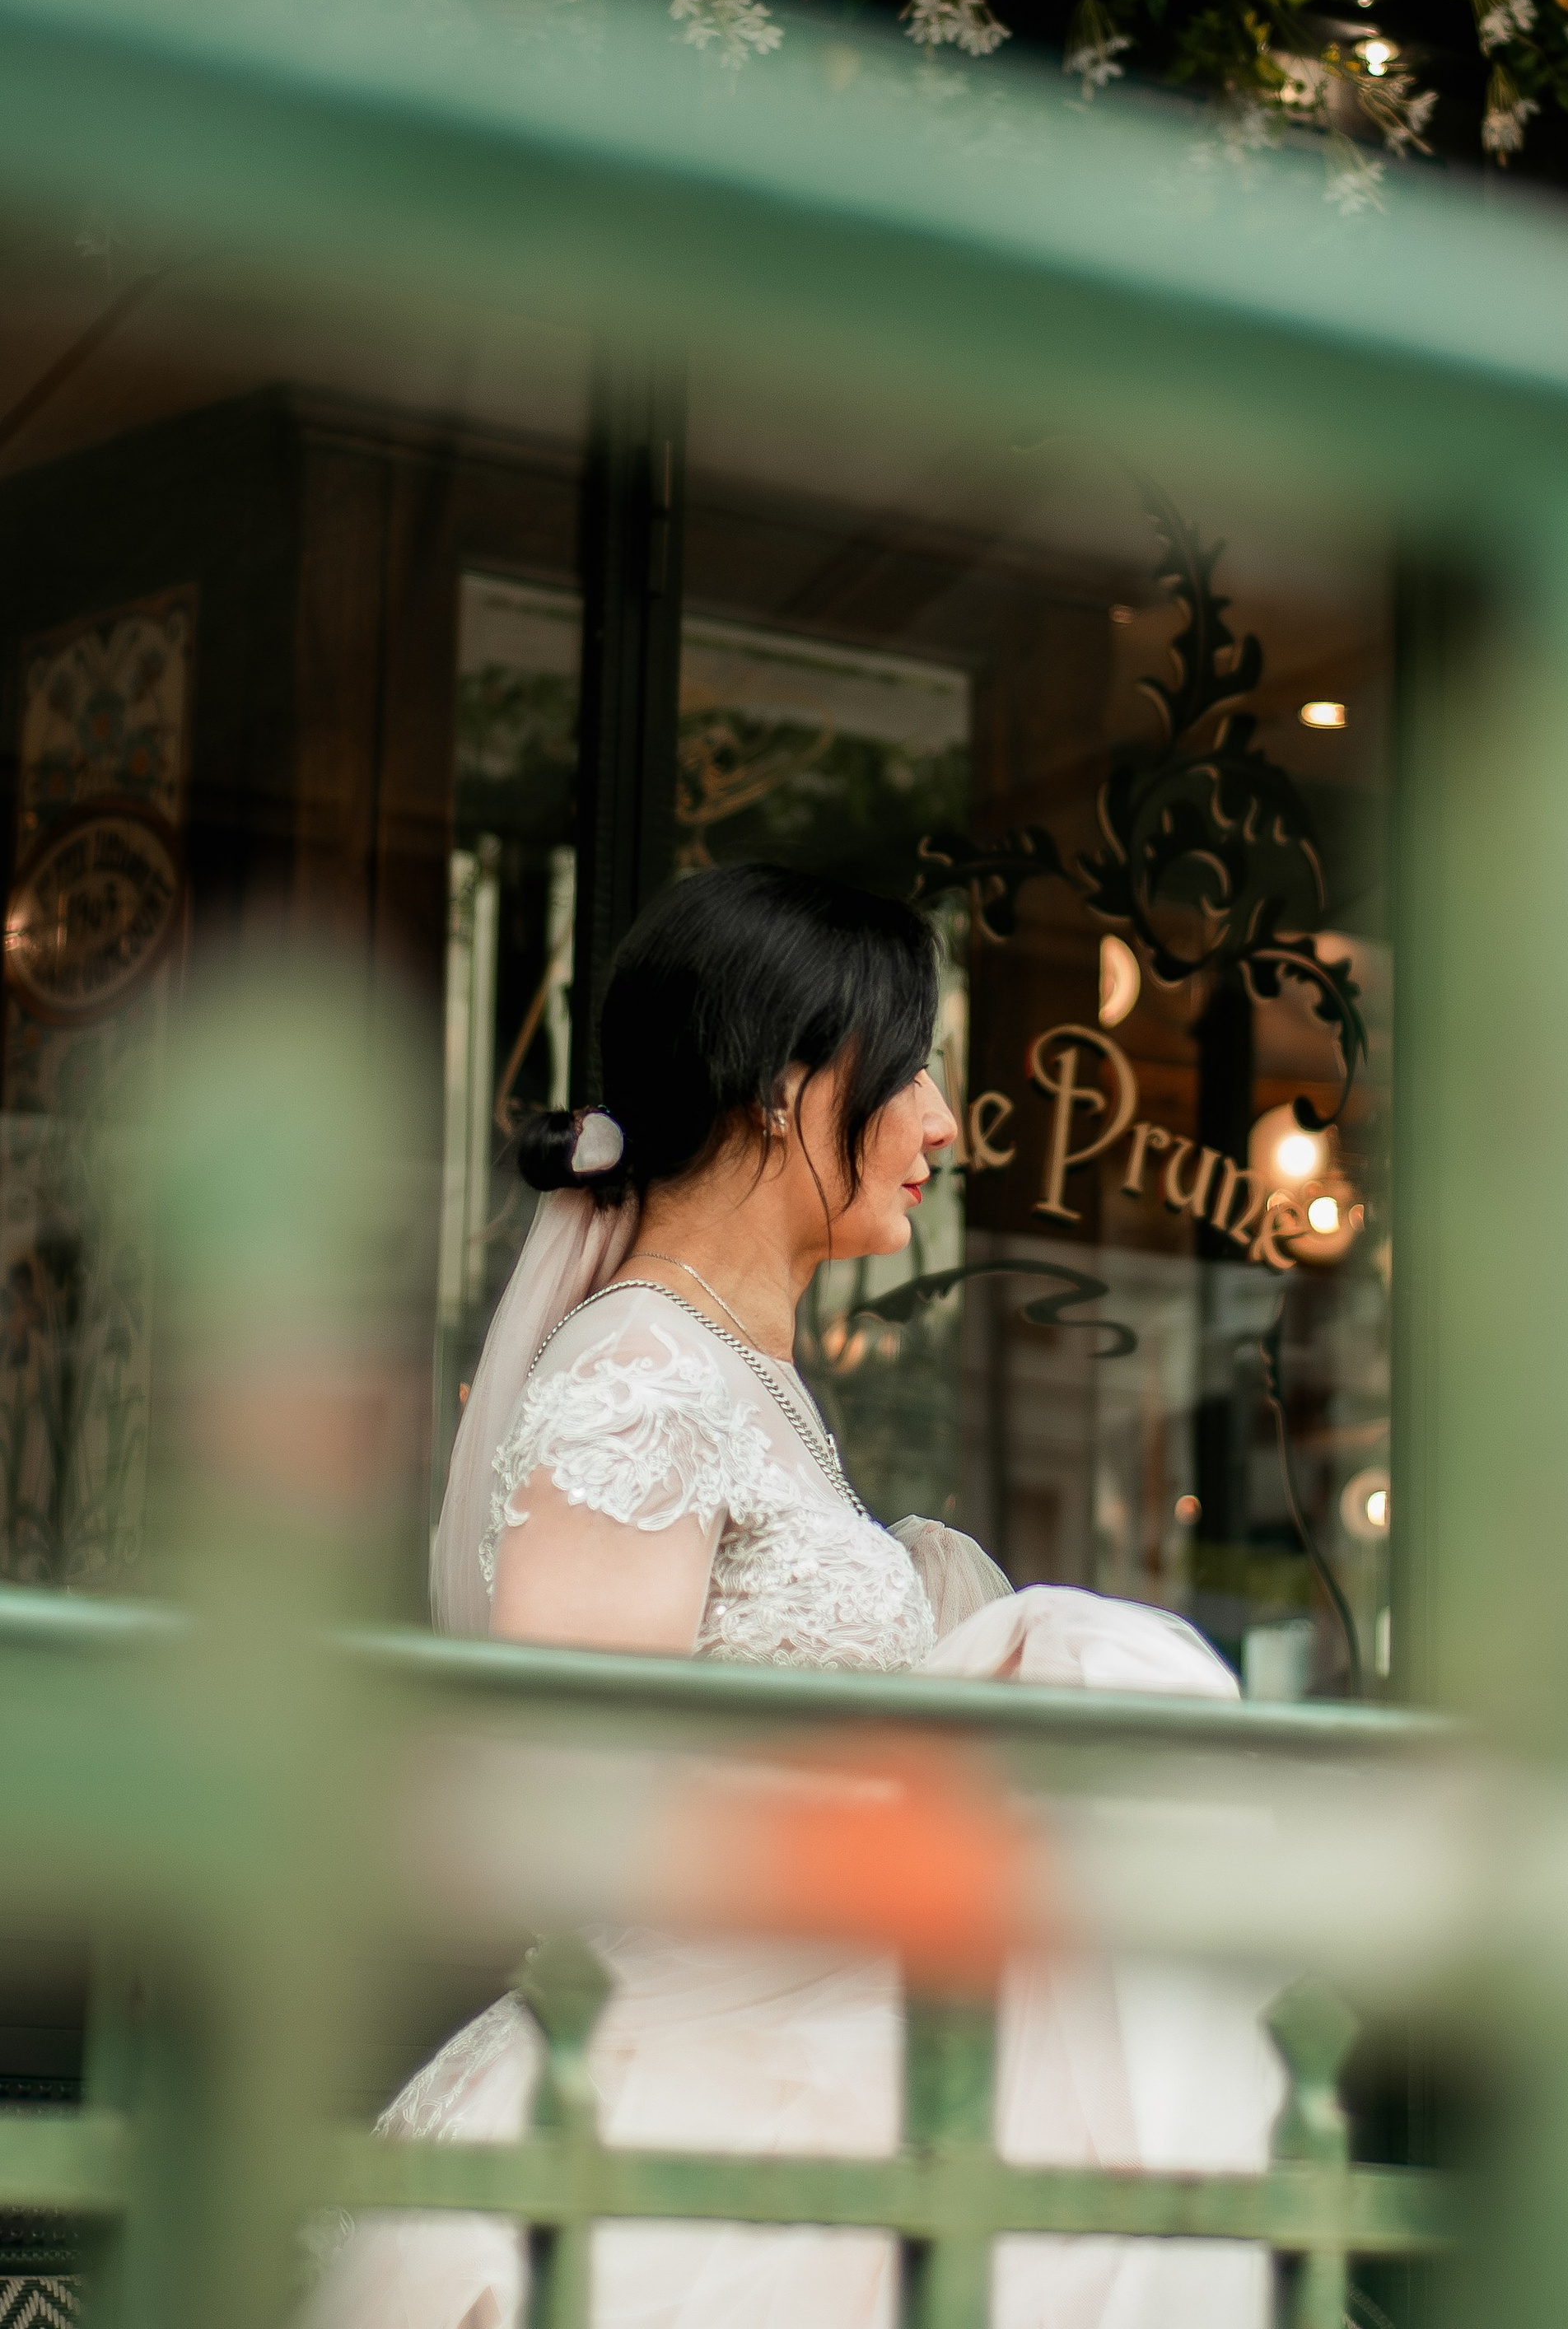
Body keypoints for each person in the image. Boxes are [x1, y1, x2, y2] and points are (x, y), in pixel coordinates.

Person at [321, 863, 1281, 2329]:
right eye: (912, 1071)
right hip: (677, 2114)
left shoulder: (741, 1377)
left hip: (803, 2074)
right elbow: (575, 1812)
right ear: (790, 1085)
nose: (947, 1124)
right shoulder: (641, 1377)